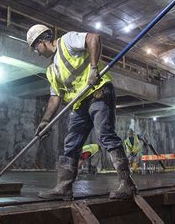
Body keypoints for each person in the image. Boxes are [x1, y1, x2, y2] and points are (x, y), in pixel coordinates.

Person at [28, 24, 137, 200]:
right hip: (80, 104)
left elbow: (94, 38)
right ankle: (64, 188)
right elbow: (55, 97)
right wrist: (45, 121)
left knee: (105, 135)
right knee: (71, 144)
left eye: (35, 49)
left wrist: (94, 68)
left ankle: (127, 184)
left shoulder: (66, 41)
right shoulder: (51, 70)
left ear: (42, 41)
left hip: (98, 92)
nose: (38, 53)